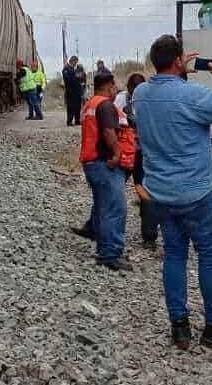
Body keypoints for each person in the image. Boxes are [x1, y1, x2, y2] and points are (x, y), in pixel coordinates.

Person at [130, 34, 212, 349]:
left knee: (174, 255)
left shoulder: (140, 94)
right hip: (196, 194)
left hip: (161, 195)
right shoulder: (192, 95)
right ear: (177, 60)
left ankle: (180, 327)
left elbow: (162, 91)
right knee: (209, 257)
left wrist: (176, 70)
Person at [79, 70, 130, 271]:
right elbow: (109, 131)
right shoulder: (105, 105)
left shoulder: (89, 104)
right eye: (114, 86)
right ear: (109, 85)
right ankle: (110, 253)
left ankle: (104, 249)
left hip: (91, 161)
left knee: (103, 207)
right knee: (115, 208)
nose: (115, 89)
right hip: (103, 163)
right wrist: (117, 154)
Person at [117, 73, 159, 249]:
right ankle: (149, 237)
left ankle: (149, 236)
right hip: (134, 152)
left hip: (134, 152)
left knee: (115, 189)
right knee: (145, 192)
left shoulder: (123, 99)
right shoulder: (148, 98)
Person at [62, 55, 87, 126]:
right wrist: (76, 77)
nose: (75, 64)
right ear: (72, 61)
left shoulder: (74, 69)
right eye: (75, 62)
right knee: (71, 107)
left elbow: (81, 79)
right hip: (70, 92)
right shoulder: (66, 69)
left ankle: (77, 120)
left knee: (78, 107)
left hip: (77, 92)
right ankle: (69, 121)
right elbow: (68, 79)